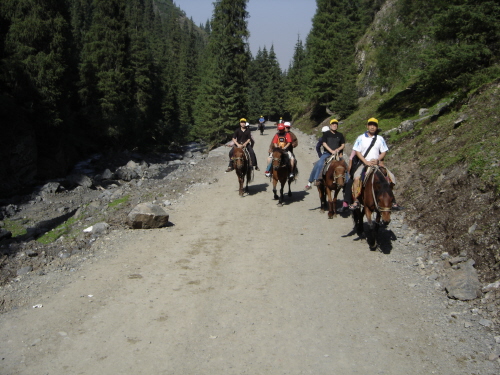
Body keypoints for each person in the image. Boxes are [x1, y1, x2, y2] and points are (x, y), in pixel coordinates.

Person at [349, 117, 398, 210]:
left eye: (374, 125)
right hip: (364, 163)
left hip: (376, 164)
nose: (372, 127)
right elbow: (358, 152)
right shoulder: (360, 138)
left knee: (391, 177)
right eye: (370, 125)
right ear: (367, 126)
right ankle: (356, 200)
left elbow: (384, 151)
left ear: (377, 127)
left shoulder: (380, 138)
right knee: (356, 178)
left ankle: (391, 199)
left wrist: (378, 160)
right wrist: (365, 161)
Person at [305, 119, 345, 188]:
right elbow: (324, 143)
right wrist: (331, 151)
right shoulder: (326, 134)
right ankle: (317, 179)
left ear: (337, 126)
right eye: (333, 124)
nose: (334, 125)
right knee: (320, 164)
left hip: (337, 154)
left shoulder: (340, 135)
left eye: (336, 124)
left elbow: (343, 145)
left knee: (345, 166)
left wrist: (338, 149)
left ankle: (346, 183)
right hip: (327, 153)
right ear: (330, 125)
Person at [305, 125, 330, 190]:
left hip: (335, 153)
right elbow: (317, 147)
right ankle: (314, 180)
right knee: (318, 165)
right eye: (324, 133)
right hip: (326, 154)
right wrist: (320, 155)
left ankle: (346, 183)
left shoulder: (333, 137)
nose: (325, 134)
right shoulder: (322, 139)